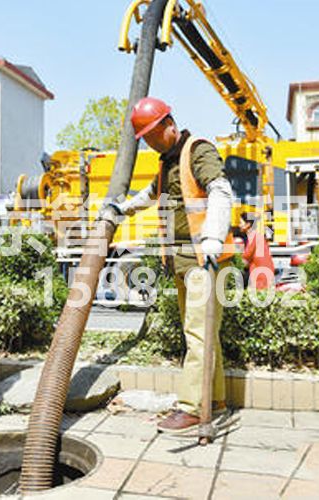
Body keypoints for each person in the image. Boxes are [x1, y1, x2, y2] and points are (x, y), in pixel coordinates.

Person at [100, 97, 235, 434]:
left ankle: (191, 407)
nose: (149, 141)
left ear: (169, 124)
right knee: (204, 334)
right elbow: (150, 194)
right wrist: (123, 209)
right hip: (180, 260)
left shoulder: (197, 150)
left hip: (204, 260)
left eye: (152, 134)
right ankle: (214, 399)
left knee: (197, 333)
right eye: (143, 137)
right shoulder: (167, 162)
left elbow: (220, 190)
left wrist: (214, 238)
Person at [238, 212, 275, 290]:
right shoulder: (256, 236)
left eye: (241, 223)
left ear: (247, 224)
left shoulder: (254, 237)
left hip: (261, 275)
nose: (239, 225)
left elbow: (245, 258)